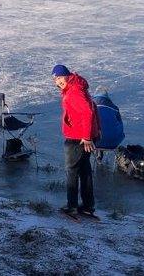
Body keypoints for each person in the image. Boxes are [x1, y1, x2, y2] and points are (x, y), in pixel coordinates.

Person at [52, 64, 98, 219]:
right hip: (83, 136)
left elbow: (87, 112)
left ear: (67, 75)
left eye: (59, 77)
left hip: (78, 138)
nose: (57, 82)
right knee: (85, 171)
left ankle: (71, 207)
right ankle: (87, 206)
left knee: (72, 171)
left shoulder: (74, 92)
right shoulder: (76, 86)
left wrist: (86, 137)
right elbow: (92, 108)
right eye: (55, 79)